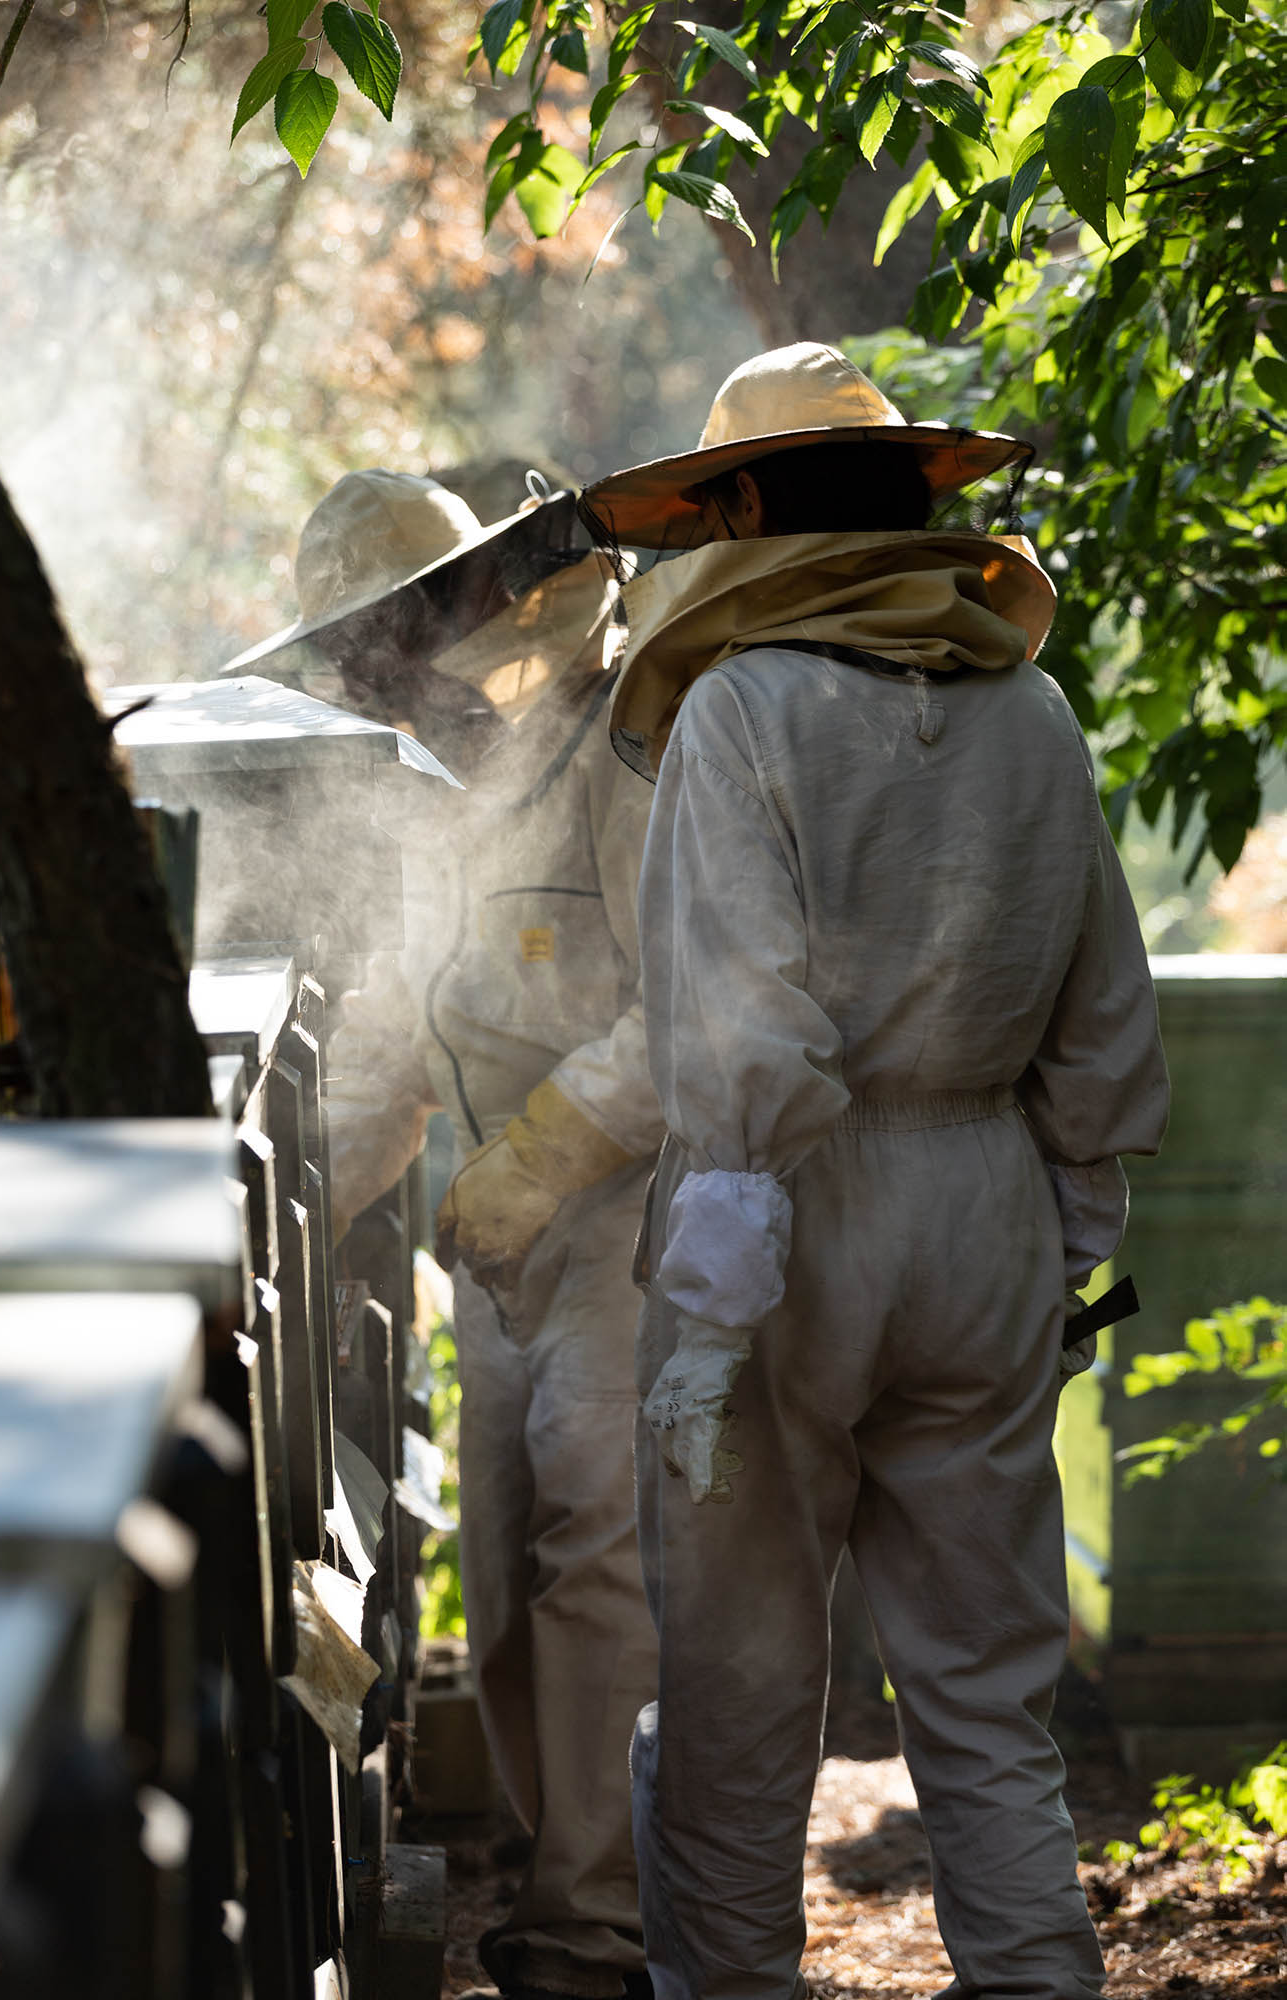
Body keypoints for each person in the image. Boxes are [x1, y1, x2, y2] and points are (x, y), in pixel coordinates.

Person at [580, 344, 1171, 2000]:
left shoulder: (740, 712)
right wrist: (1070, 1235)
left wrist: (708, 1311)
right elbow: (1102, 1020)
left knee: (739, 1689)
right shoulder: (1034, 715)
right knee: (990, 1694)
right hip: (984, 1203)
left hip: (783, 1226)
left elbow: (737, 1036)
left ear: (748, 509)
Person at [298, 469, 665, 2000]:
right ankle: (557, 1885)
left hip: (627, 1210)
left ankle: (603, 1924)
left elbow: (693, 1002)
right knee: (509, 1570)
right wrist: (294, 1197)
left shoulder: (619, 741)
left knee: (603, 1552)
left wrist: (548, 1150)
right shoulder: (444, 783)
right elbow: (400, 1035)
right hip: (499, 1228)